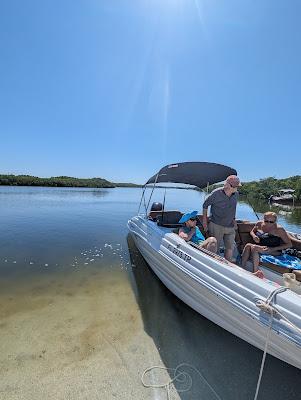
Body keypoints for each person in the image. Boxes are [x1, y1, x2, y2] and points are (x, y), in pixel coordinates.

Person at [202, 175, 241, 262]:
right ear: (229, 185)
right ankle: (214, 266)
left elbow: (233, 209)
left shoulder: (236, 195)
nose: (238, 188)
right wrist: (205, 222)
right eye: (236, 186)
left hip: (230, 226)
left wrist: (234, 221)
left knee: (230, 247)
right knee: (215, 248)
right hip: (216, 224)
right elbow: (205, 205)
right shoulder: (216, 193)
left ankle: (228, 266)